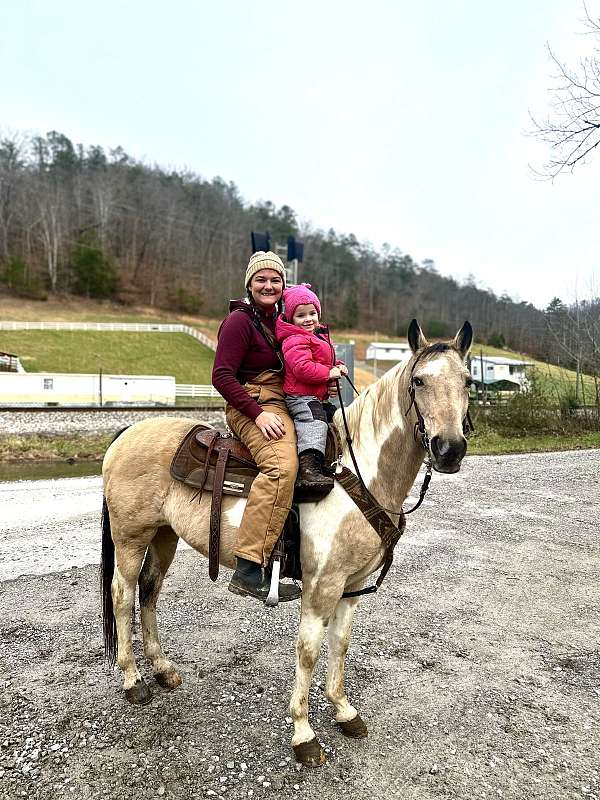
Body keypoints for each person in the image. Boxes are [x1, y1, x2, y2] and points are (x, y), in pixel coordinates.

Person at [211, 251, 301, 603]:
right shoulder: (239, 322)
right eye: (261, 279)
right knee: (281, 468)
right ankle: (249, 566)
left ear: (283, 285)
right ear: (249, 284)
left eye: (275, 279)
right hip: (251, 404)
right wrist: (257, 414)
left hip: (281, 401)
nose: (268, 285)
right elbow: (221, 376)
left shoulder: (279, 321)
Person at [275, 283, 348, 490]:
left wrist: (337, 367)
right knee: (314, 422)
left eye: (312, 313)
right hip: (300, 397)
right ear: (291, 318)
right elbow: (302, 368)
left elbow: (323, 361)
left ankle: (333, 458)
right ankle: (309, 468)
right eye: (301, 315)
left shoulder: (316, 336)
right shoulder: (294, 339)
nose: (308, 319)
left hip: (316, 396)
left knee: (337, 418)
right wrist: (328, 373)